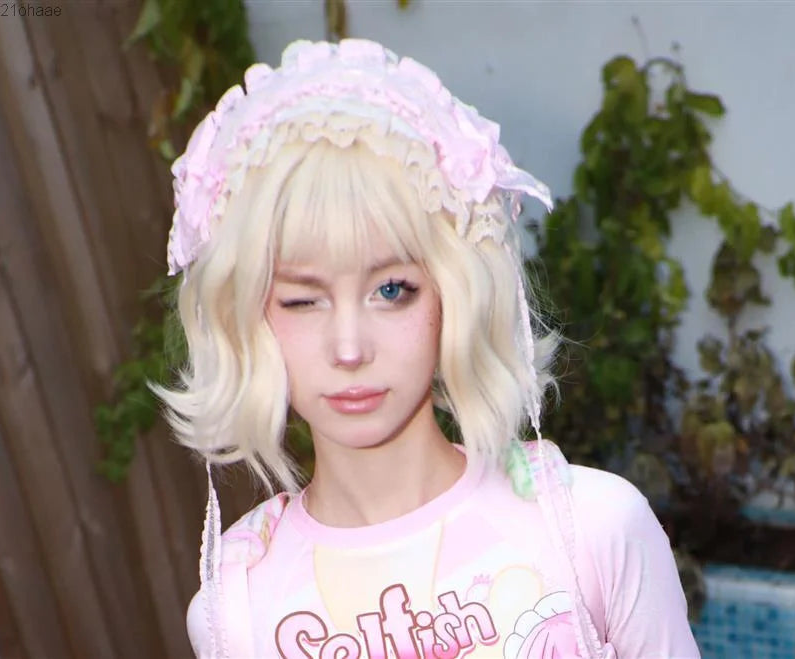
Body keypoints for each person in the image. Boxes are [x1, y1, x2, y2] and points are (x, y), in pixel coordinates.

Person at [155, 38, 700, 659]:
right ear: (249, 319)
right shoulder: (238, 609)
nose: (350, 348)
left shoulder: (593, 529)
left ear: (453, 294)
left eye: (392, 290)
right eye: (303, 300)